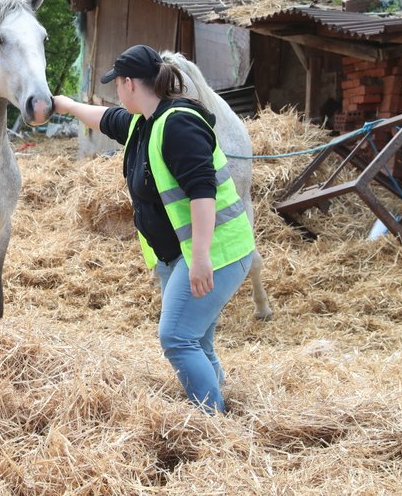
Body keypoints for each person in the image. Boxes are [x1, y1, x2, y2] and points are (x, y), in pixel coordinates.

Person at [52, 44, 254, 414]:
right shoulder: (144, 123)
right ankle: (218, 402)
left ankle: (213, 421)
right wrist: (63, 104)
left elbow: (202, 192)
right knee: (197, 339)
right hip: (182, 253)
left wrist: (201, 259)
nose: (116, 92)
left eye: (117, 84)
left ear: (130, 83)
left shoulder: (177, 124)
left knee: (176, 337)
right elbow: (104, 117)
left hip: (216, 251)